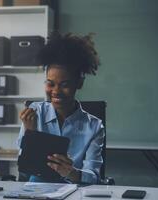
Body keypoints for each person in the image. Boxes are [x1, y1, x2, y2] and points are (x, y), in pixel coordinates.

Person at [17, 32, 104, 184]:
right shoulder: (34, 113)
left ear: (79, 83)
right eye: (50, 83)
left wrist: (72, 173)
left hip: (75, 192)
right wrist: (30, 132)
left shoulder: (94, 127)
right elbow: (24, 167)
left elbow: (94, 177)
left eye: (65, 85)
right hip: (36, 190)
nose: (56, 91)